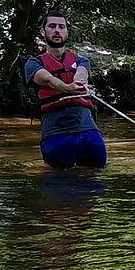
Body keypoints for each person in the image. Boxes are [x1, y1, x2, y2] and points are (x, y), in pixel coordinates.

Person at [24, 11, 107, 168]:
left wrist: (78, 83)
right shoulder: (33, 64)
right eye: (52, 26)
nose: (57, 30)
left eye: (61, 27)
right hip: (56, 133)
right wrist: (67, 88)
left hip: (87, 130)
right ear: (43, 31)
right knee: (59, 185)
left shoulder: (81, 60)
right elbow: (48, 79)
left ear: (67, 31)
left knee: (95, 183)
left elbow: (82, 74)